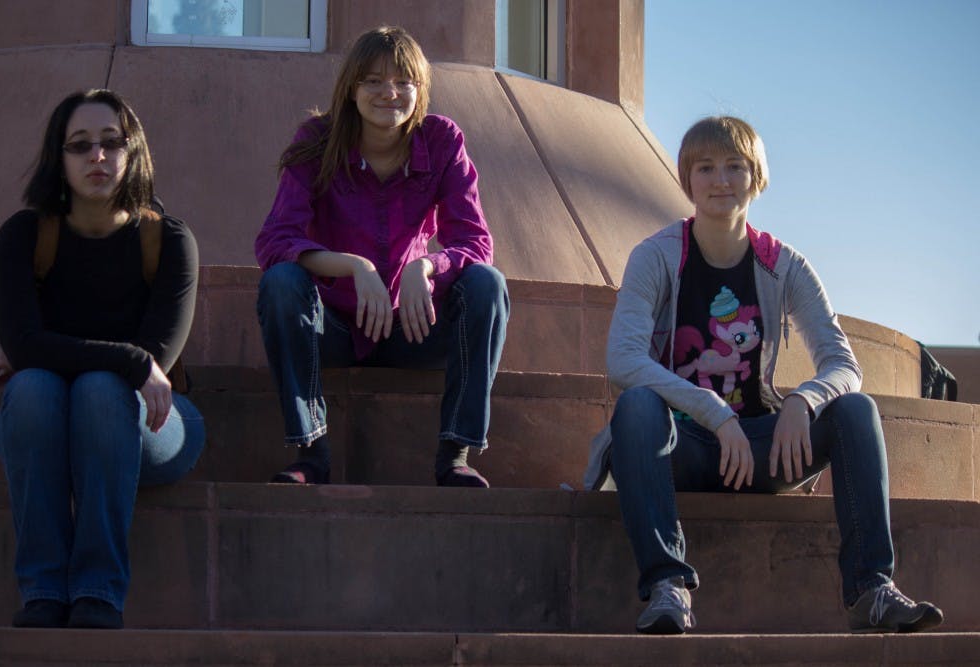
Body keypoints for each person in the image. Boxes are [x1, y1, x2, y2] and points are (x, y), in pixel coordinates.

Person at [586, 116, 942, 634]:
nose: (721, 180)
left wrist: (802, 402)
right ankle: (668, 586)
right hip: (682, 445)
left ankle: (871, 590)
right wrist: (713, 415)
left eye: (735, 166)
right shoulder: (655, 256)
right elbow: (623, 360)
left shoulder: (785, 265)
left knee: (855, 409)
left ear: (756, 177)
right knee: (636, 406)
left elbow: (844, 365)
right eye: (705, 168)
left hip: (762, 448)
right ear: (687, 180)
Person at [0, 89, 205, 629]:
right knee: (34, 388)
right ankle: (42, 590)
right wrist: (126, 359)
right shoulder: (23, 236)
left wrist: (46, 351)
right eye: (79, 145)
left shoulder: (169, 241)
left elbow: (155, 360)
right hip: (48, 417)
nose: (97, 157)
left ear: (133, 152)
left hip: (153, 425)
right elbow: (28, 347)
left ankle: (98, 590)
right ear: (58, 158)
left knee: (99, 392)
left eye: (111, 142)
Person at [255, 26, 508, 488]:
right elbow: (276, 241)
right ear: (351, 89)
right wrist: (355, 266)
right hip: (333, 327)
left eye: (402, 81)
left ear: (419, 89)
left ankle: (456, 452)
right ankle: (311, 452)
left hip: (413, 325)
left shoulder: (442, 140)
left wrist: (426, 265)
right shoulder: (316, 141)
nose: (388, 92)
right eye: (373, 80)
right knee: (280, 285)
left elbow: (475, 242)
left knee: (487, 283)